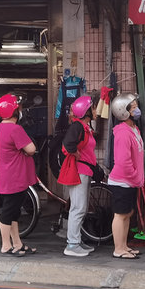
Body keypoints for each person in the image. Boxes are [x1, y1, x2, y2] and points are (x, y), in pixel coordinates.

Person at [0, 94, 37, 256]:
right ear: (13, 111)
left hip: (8, 175)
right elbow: (31, 149)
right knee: (8, 211)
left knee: (13, 212)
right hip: (15, 177)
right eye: (19, 108)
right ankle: (6, 245)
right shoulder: (15, 129)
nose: (21, 110)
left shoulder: (2, 127)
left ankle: (17, 243)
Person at [107, 93, 145, 260]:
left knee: (128, 213)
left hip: (131, 181)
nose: (137, 109)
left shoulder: (134, 129)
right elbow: (123, 161)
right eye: (134, 107)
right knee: (120, 214)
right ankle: (118, 249)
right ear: (124, 111)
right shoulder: (123, 132)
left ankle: (124, 246)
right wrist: (135, 175)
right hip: (122, 181)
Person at [62, 95, 97, 257]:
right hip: (79, 171)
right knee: (78, 207)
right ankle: (72, 244)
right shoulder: (77, 126)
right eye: (93, 108)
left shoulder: (84, 127)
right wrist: (76, 153)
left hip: (85, 171)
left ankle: (76, 240)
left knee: (81, 207)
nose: (95, 110)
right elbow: (68, 144)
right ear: (86, 111)